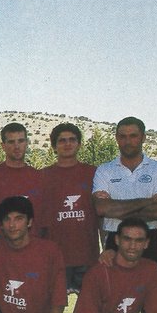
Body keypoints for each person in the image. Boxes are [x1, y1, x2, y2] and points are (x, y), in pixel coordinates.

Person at [92, 116, 157, 266]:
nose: (128, 142)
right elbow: (101, 208)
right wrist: (147, 201)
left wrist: (115, 207)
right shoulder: (104, 170)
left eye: (133, 136)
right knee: (117, 288)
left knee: (153, 287)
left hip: (150, 238)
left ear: (143, 137)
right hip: (115, 239)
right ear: (116, 138)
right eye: (123, 136)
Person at [38, 123, 100, 293]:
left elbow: (101, 215)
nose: (67, 144)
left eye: (72, 140)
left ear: (79, 144)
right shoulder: (42, 176)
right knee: (52, 311)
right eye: (62, 140)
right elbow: (38, 219)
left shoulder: (94, 173)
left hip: (87, 256)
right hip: (56, 258)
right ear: (54, 146)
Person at [0, 122, 42, 240]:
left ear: (26, 143)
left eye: (21, 141)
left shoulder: (39, 177)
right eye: (11, 142)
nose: (17, 146)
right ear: (3, 146)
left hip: (32, 245)